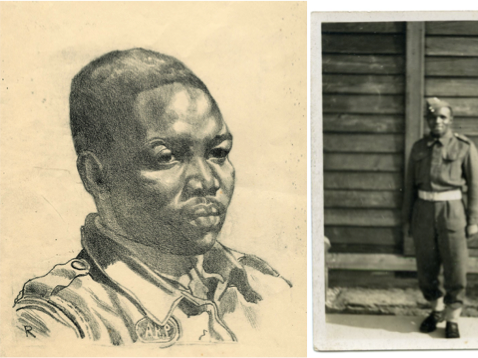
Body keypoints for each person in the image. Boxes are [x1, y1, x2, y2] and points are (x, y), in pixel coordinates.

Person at [13, 48, 290, 346]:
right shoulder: (59, 317)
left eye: (218, 153)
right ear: (95, 175)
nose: (207, 181)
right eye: (167, 157)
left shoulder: (263, 285)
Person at [402, 97, 478, 339]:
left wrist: (473, 219)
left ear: (450, 120)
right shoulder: (418, 148)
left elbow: (477, 185)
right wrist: (407, 220)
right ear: (427, 120)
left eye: (442, 117)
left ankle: (452, 317)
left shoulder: (464, 146)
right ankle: (436, 309)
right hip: (423, 212)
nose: (437, 121)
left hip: (453, 212)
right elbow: (408, 187)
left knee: (455, 267)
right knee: (426, 267)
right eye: (432, 117)